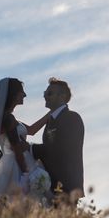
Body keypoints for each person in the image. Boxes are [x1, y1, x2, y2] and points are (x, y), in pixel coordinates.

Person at [31, 77, 85, 206]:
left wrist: (31, 149)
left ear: (62, 96)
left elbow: (61, 148)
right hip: (51, 184)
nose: (45, 96)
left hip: (65, 185)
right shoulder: (51, 121)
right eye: (45, 93)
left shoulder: (72, 118)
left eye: (49, 93)